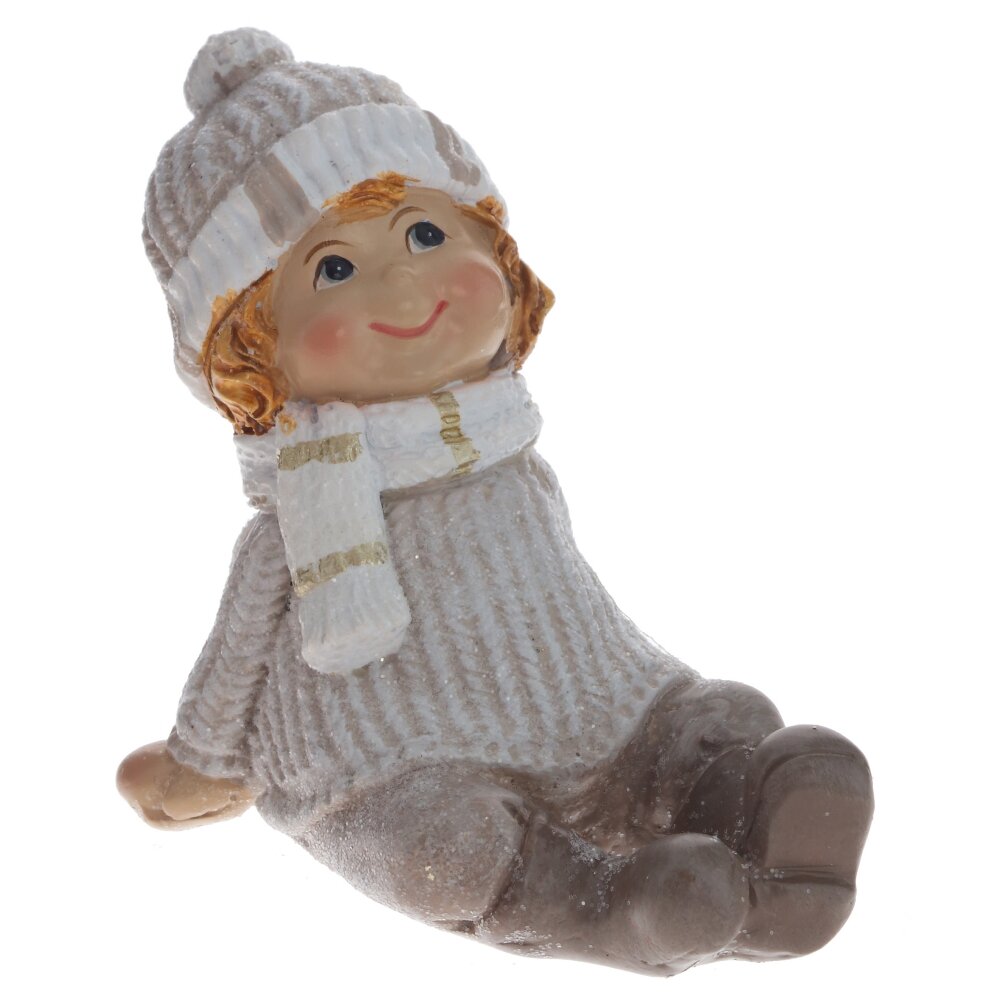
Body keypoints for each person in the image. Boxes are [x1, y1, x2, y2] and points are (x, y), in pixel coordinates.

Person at [118, 27, 873, 978]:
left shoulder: (510, 453)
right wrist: (201, 763)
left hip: (587, 700)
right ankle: (615, 907)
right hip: (399, 754)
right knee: (433, 842)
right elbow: (238, 653)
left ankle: (750, 829)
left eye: (426, 234)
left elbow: (562, 586)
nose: (404, 280)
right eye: (333, 269)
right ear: (252, 353)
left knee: (709, 718)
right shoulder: (297, 522)